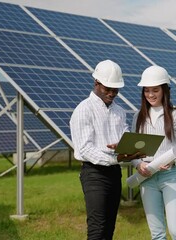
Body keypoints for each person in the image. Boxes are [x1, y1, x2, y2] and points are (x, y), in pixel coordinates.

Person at [70, 59, 143, 240]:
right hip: (94, 174)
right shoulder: (84, 110)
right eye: (107, 89)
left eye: (115, 89)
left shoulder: (119, 111)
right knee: (97, 228)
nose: (112, 93)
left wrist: (131, 146)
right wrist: (115, 158)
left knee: (109, 227)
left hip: (114, 174)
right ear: (96, 83)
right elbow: (85, 148)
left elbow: (125, 137)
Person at [132, 65, 176, 240]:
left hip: (172, 176)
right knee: (157, 234)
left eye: (155, 90)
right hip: (147, 178)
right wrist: (139, 164)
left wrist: (175, 160)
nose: (150, 95)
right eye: (147, 90)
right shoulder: (138, 117)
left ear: (165, 90)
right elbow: (133, 152)